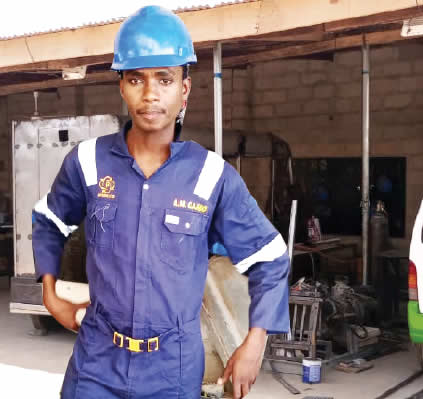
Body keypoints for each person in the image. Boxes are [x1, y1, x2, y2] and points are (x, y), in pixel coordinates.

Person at [31, 5, 290, 399]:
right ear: (122, 86)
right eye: (137, 79)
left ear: (184, 88)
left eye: (164, 79)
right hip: (97, 361)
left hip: (173, 368)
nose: (150, 94)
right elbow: (49, 220)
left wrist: (254, 344)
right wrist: (50, 294)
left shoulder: (211, 177)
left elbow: (270, 257)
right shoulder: (87, 162)